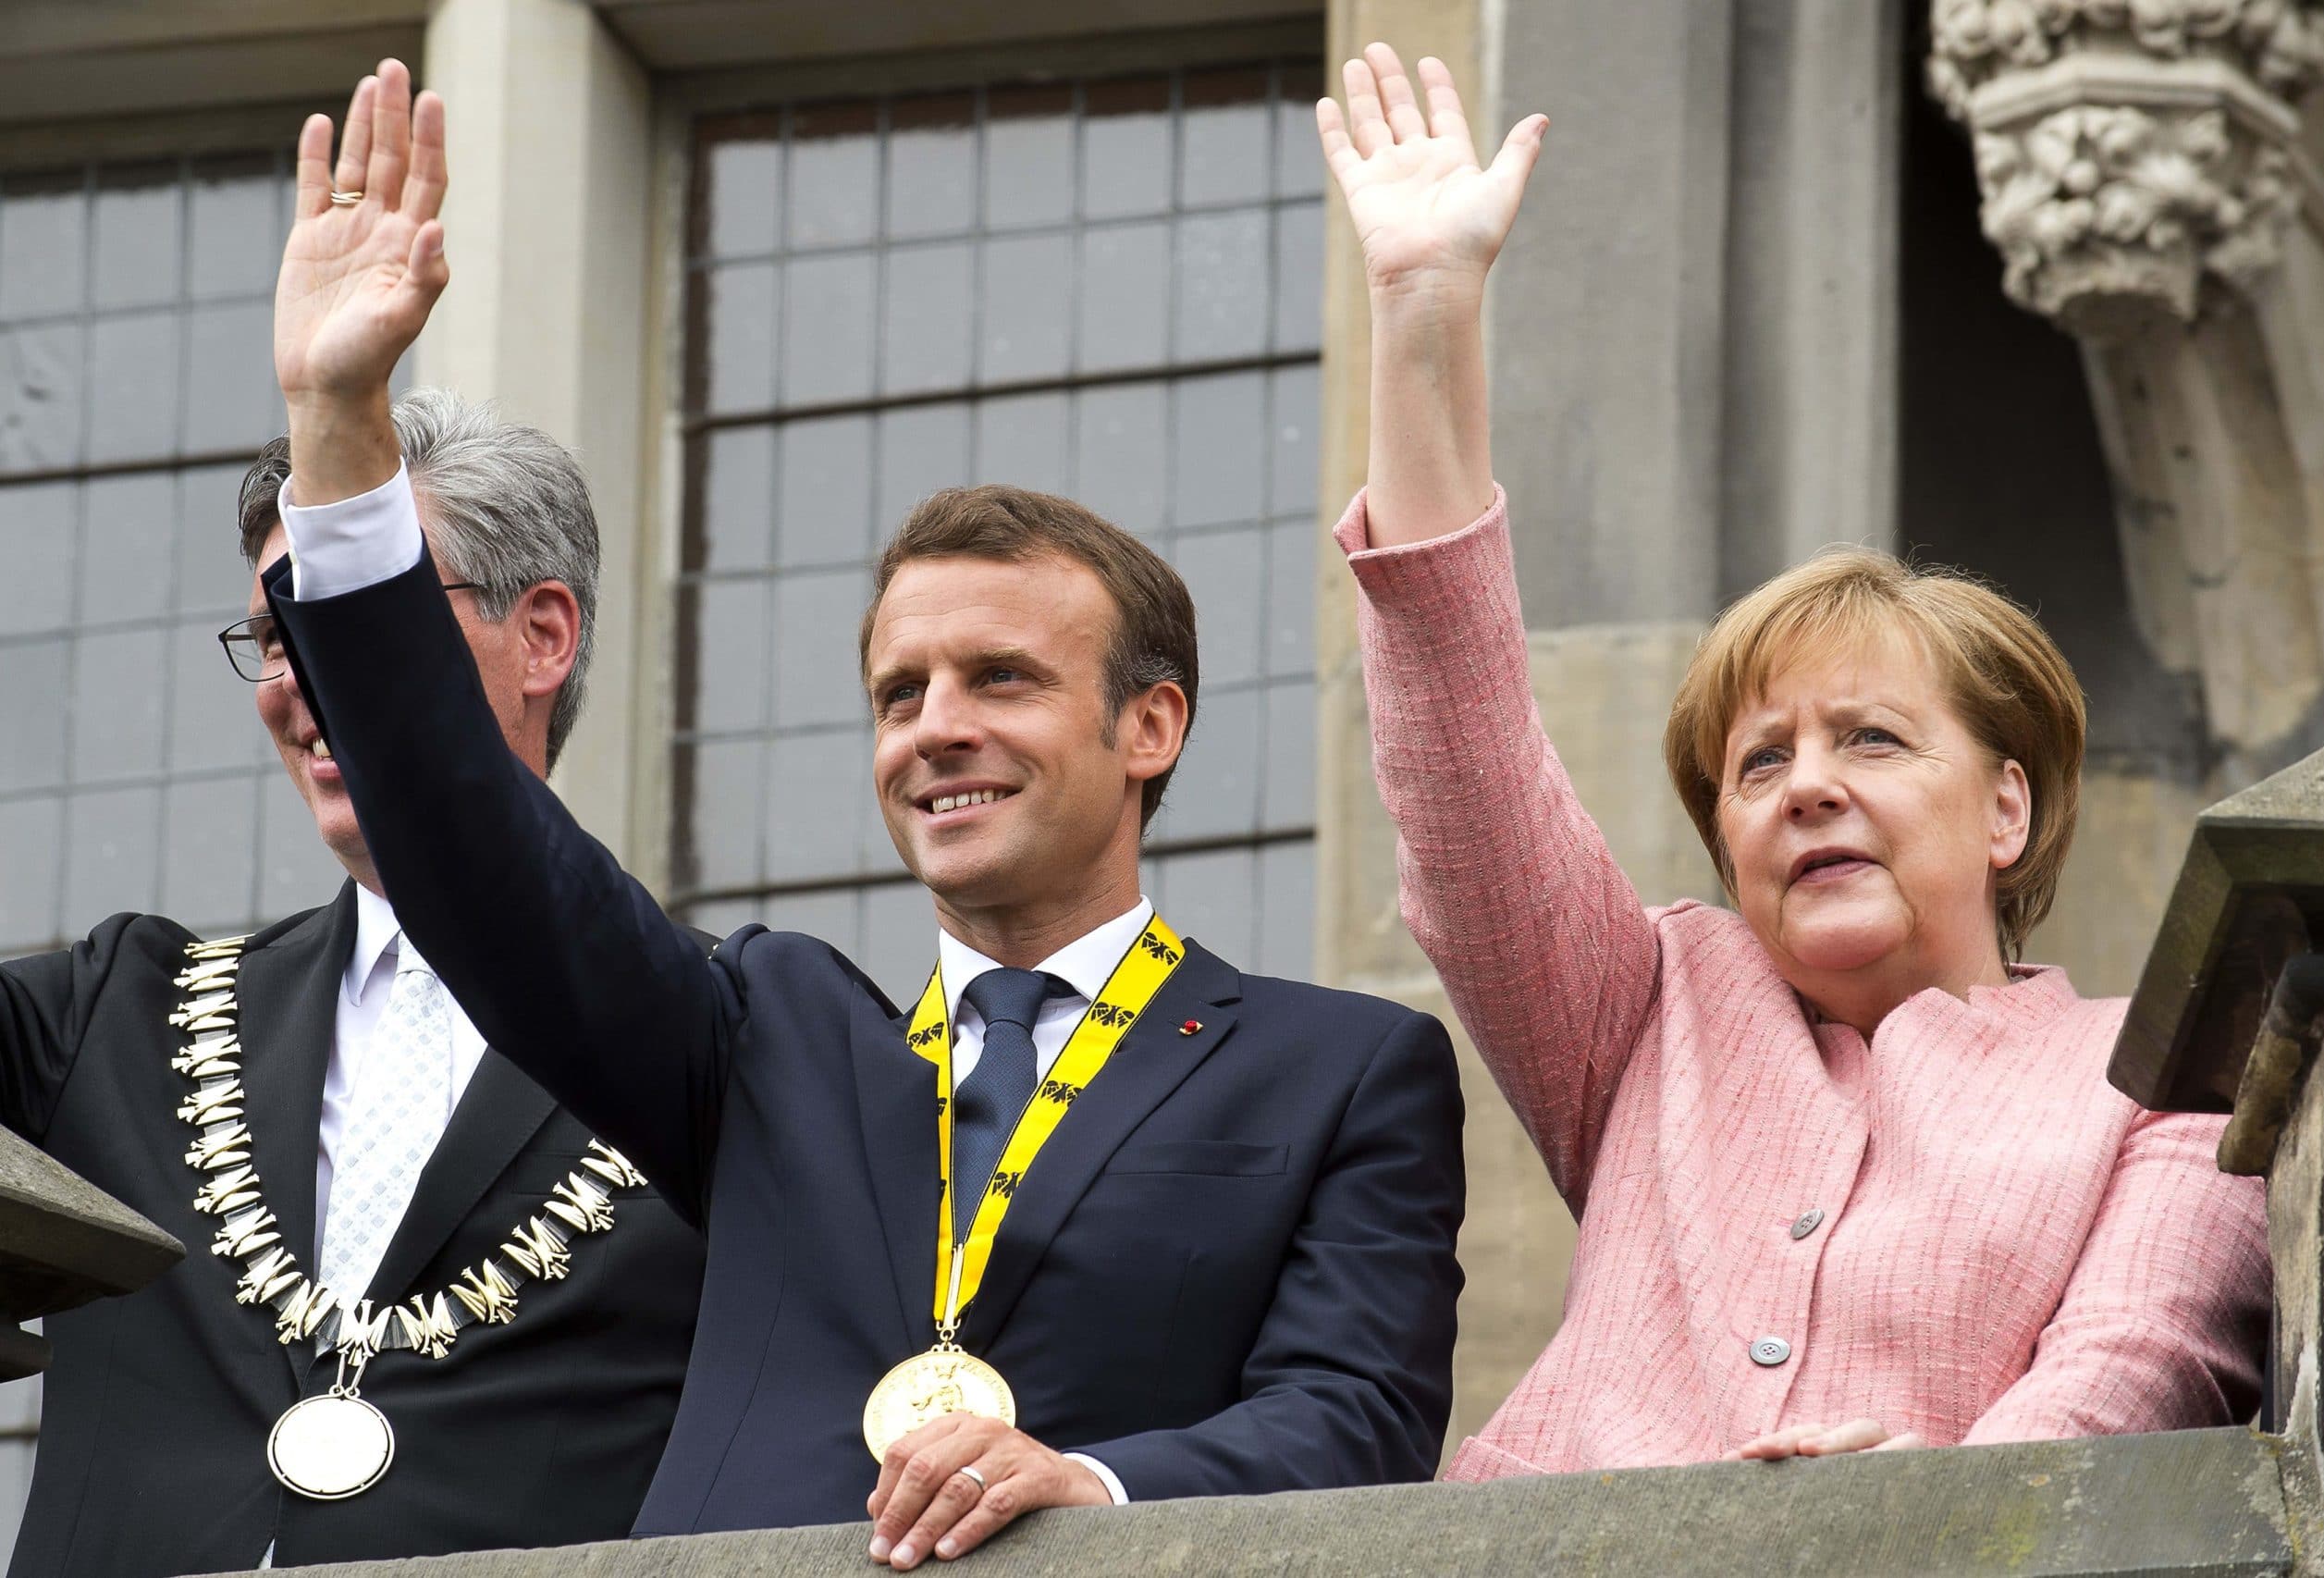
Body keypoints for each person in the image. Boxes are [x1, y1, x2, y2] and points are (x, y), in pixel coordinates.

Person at [259, 58, 1463, 1572]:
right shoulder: (769, 1046)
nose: (936, 726)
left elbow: (1358, 1419)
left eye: (1000, 678)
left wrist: (1084, 1483)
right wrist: (337, 421)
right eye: (901, 694)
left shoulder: (1340, 1071)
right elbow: (473, 846)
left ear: (1150, 723)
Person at [1316, 43, 2269, 1477]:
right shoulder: (1647, 1016)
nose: (1805, 783)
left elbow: (2134, 1369)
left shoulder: (2164, 1080)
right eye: (1757, 767)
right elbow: (1466, 768)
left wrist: (1911, 1521)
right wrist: (1420, 310)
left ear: (2006, 803)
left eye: (1871, 738)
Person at [0, 84, 705, 1578]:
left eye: (355, 611)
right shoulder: (114, 1019)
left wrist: (338, 412)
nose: (305, 687)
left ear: (544, 635)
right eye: (275, 634)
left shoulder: (727, 1048)